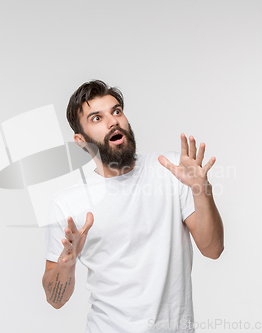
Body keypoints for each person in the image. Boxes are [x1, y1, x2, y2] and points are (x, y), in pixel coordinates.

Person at [42, 80, 224, 333]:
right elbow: (55, 299)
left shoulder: (171, 170)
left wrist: (201, 190)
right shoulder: (68, 204)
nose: (113, 121)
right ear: (81, 140)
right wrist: (66, 263)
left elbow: (213, 249)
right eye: (97, 118)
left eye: (116, 111)